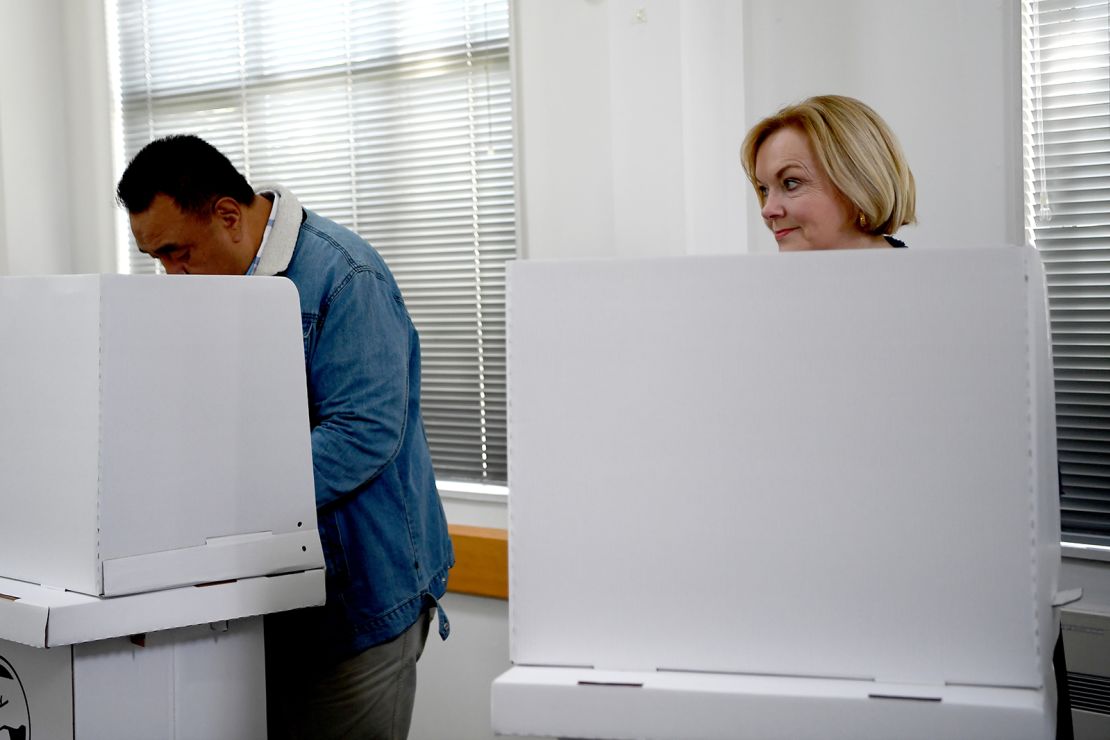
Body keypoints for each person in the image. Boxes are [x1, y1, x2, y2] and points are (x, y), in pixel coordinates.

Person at [741, 94, 1074, 740]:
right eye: (761, 188)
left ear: (858, 181)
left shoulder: (958, 312)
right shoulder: (764, 319)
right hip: (818, 622)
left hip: (953, 636)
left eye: (790, 183)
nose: (768, 209)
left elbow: (1003, 492)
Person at [116, 134, 454, 740]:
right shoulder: (216, 282)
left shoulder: (346, 278)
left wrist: (221, 498)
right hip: (268, 605)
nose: (173, 275)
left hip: (361, 603)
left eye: (178, 252)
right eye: (158, 260)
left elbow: (362, 436)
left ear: (228, 215)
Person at [740, 94, 915, 251]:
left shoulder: (927, 284)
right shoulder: (770, 285)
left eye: (790, 183)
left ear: (861, 186)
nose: (767, 210)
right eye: (764, 190)